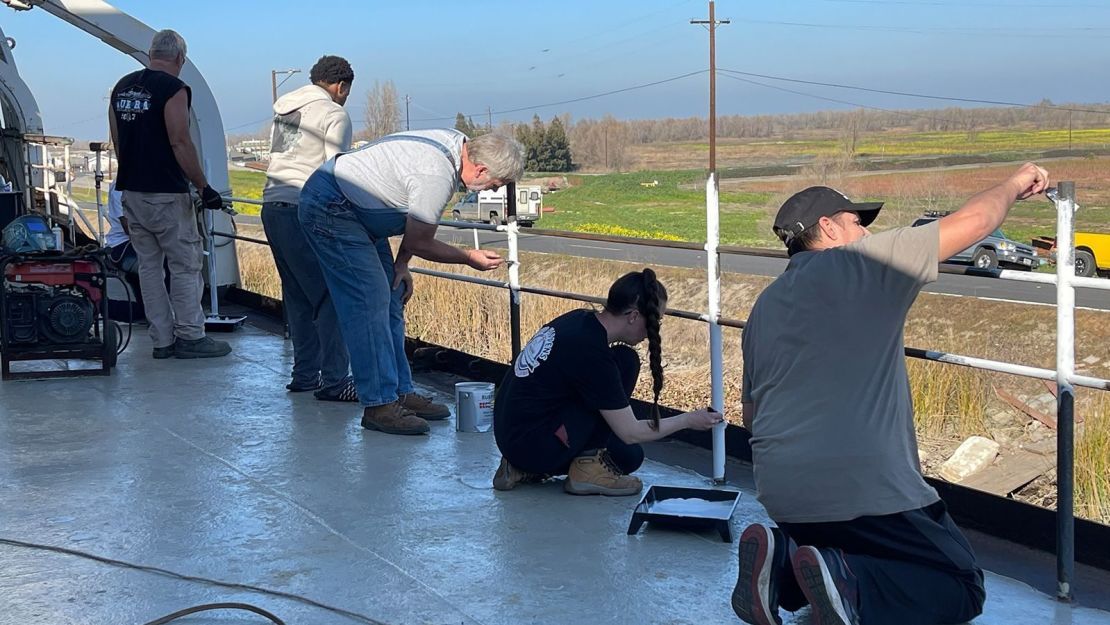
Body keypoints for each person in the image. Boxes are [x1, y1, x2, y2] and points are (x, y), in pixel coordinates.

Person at [730, 163, 1049, 625]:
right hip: (865, 488)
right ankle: (851, 585)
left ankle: (781, 565)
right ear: (829, 227)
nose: (865, 230)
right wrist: (1018, 183)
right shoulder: (867, 262)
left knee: (839, 547)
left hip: (782, 492)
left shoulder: (766, 305)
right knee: (960, 584)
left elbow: (752, 415)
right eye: (857, 221)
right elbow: (975, 225)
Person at [299, 130, 524, 435]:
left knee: (392, 293)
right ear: (482, 169)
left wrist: (401, 265)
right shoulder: (436, 175)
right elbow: (420, 241)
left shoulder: (458, 144)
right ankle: (379, 404)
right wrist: (469, 257)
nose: (489, 191)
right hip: (332, 207)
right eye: (494, 184)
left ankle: (400, 392)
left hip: (352, 207)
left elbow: (413, 224)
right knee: (370, 301)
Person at [492, 269, 723, 496]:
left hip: (513, 435)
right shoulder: (591, 352)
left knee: (628, 456)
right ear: (633, 316)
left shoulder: (578, 321)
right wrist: (688, 420)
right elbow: (630, 432)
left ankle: (522, 468)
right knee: (626, 363)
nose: (653, 331)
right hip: (531, 444)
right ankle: (583, 470)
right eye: (654, 321)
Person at [108, 29, 230, 359]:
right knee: (184, 266)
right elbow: (179, 141)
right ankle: (191, 335)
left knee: (149, 267)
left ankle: (161, 340)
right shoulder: (174, 89)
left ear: (151, 54)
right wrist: (204, 188)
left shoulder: (121, 88)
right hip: (167, 194)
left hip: (132, 192)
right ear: (180, 58)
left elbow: (118, 141)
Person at [262, 55, 356, 399]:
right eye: (346, 92)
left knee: (298, 295)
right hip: (305, 209)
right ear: (340, 86)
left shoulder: (285, 110)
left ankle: (305, 375)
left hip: (272, 206)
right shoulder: (334, 113)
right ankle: (334, 381)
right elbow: (335, 171)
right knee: (331, 294)